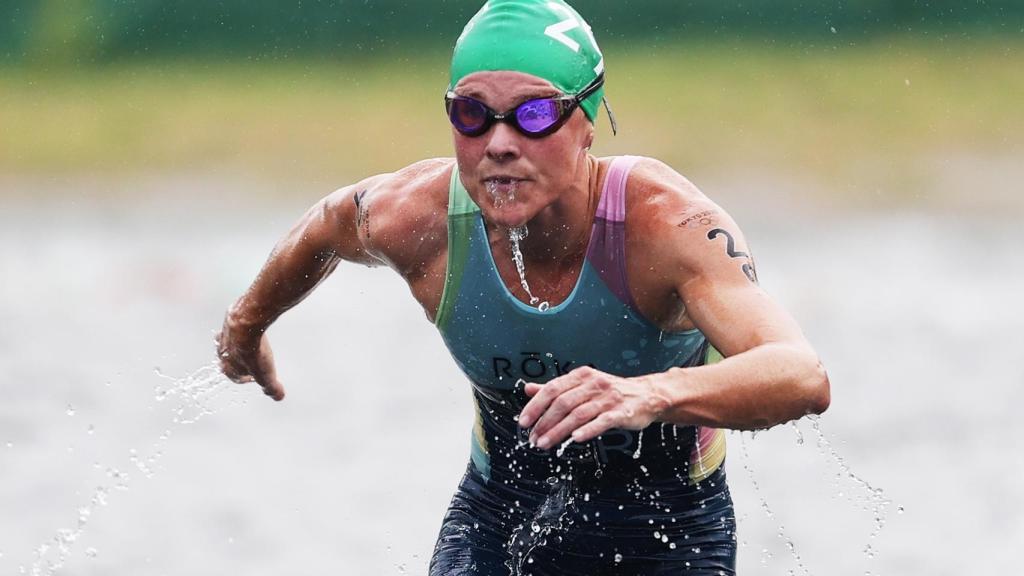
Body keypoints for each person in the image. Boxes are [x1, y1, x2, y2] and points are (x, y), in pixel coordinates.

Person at [216, 1, 830, 574]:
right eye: (472, 115)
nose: (501, 144)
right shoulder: (418, 218)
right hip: (497, 515)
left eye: (536, 114)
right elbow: (326, 224)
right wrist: (245, 327)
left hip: (669, 525)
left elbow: (801, 375)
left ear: (589, 123)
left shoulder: (664, 226)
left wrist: (648, 394)